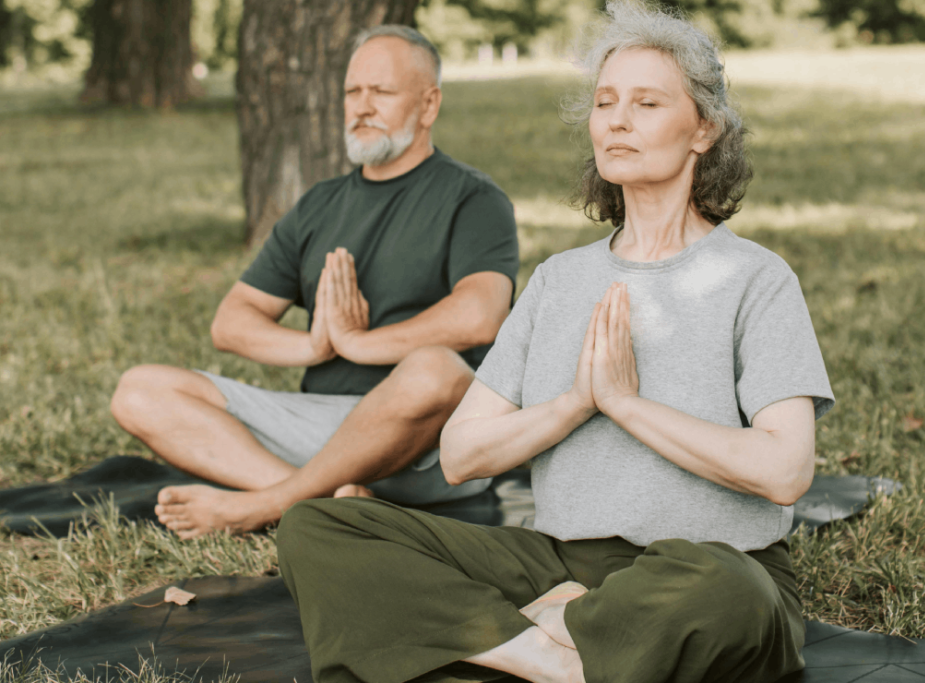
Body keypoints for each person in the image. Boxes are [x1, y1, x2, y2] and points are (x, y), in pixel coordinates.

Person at [276, 3, 834, 682]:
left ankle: (530, 631)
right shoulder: (559, 280)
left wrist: (626, 405)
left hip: (707, 567)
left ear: (705, 129)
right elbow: (459, 454)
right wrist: (574, 402)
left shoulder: (755, 278)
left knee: (729, 589)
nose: (617, 120)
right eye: (605, 102)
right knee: (319, 527)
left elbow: (785, 470)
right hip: (558, 563)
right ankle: (545, 651)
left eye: (647, 102)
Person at [109, 25, 519, 540]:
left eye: (382, 92)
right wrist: (315, 345)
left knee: (436, 370)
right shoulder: (319, 205)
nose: (362, 106)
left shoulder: (474, 199)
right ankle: (329, 504)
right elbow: (232, 323)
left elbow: (480, 316)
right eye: (352, 91)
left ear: (429, 105)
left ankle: (265, 506)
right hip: (325, 433)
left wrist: (358, 343)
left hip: (432, 443)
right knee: (139, 390)